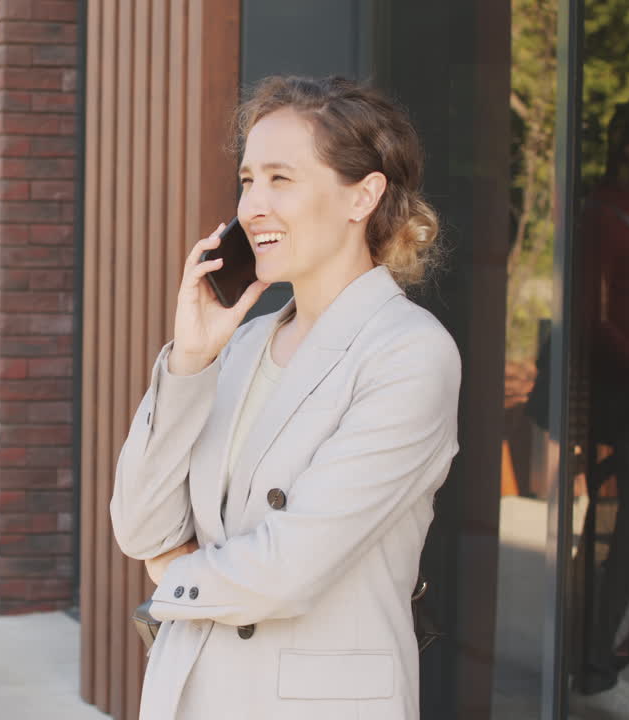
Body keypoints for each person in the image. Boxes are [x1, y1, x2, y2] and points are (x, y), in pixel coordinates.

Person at [110, 75, 461, 720]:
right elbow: (139, 526)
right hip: (191, 694)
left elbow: (287, 570)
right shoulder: (242, 346)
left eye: (281, 179)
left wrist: (172, 574)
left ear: (363, 196)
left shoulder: (409, 353)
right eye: (248, 181)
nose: (252, 206)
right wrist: (189, 362)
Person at [575, 98, 629, 698]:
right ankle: (593, 660)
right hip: (624, 399)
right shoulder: (604, 217)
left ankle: (596, 656)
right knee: (625, 536)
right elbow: (592, 319)